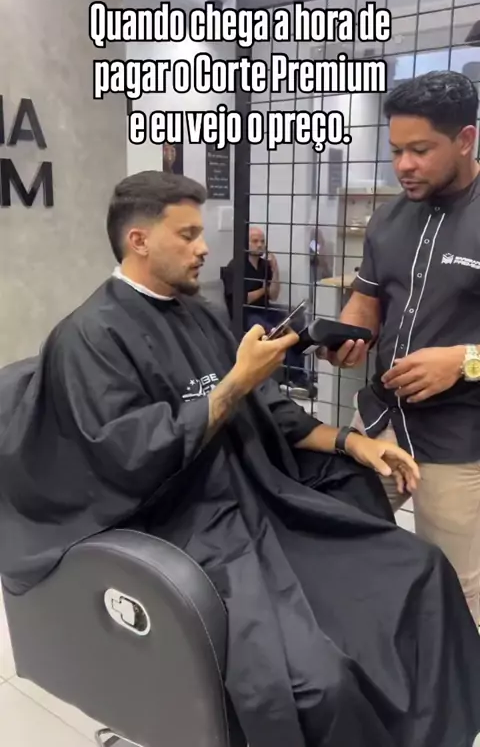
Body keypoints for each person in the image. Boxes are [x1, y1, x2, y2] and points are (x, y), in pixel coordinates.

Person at [1, 170, 480, 747]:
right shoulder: (88, 338)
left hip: (256, 497)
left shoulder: (199, 314)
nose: (204, 247)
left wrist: (355, 442)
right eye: (188, 235)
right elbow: (127, 454)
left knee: (420, 571)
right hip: (185, 524)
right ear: (139, 240)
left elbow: (266, 408)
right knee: (318, 682)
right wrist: (234, 382)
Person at [321, 70, 480, 622]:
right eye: (395, 151)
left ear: (465, 139)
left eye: (420, 150)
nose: (404, 165)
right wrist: (349, 334)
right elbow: (367, 300)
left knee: (456, 589)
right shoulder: (389, 217)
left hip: (458, 437)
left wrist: (464, 360)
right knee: (339, 546)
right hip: (382, 422)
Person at [224, 227, 312, 395]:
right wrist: (264, 289)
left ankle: (299, 375)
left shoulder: (265, 266)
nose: (260, 245)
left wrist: (275, 269)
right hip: (245, 314)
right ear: (246, 243)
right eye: (255, 241)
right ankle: (291, 378)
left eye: (262, 241)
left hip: (265, 309)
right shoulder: (236, 266)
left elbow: (273, 294)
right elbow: (242, 299)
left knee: (294, 325)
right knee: (276, 331)